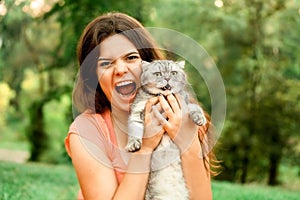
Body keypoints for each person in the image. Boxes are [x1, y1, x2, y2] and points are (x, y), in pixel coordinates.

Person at [65, 12, 215, 200]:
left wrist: (188, 142)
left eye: (131, 58)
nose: (120, 70)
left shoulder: (186, 117)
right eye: (106, 63)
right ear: (93, 77)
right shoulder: (87, 131)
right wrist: (144, 148)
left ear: (150, 65)